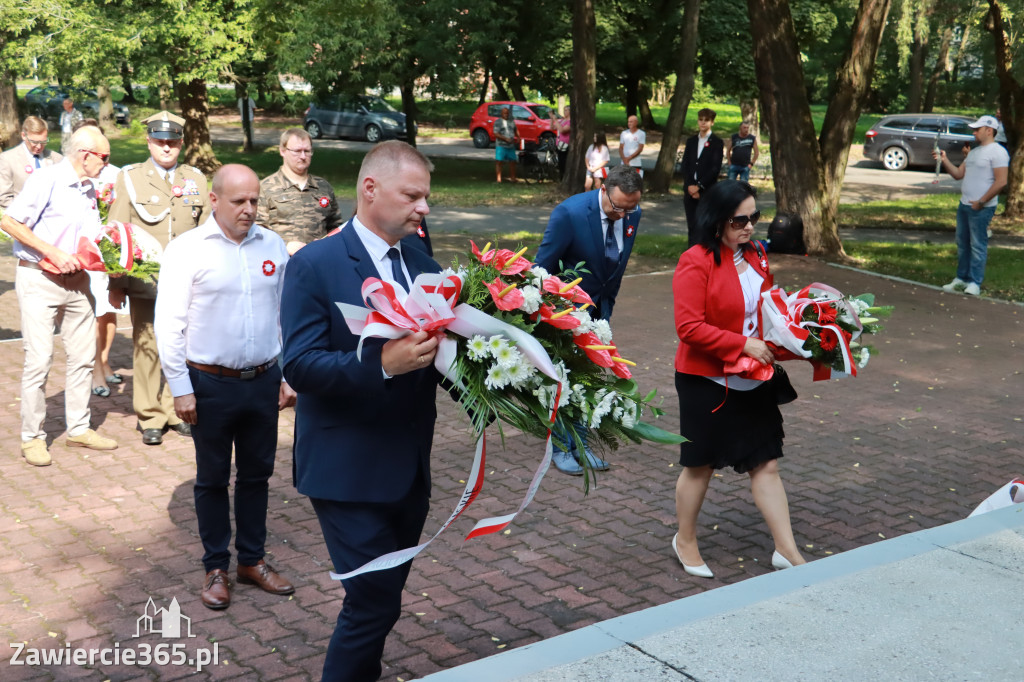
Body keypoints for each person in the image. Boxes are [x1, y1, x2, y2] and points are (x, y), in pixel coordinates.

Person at [281, 141, 442, 682]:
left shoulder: (423, 263)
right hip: (346, 469)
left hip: (409, 468)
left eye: (426, 197)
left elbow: (438, 355)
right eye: (413, 195)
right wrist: (382, 365)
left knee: (384, 599)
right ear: (370, 189)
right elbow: (300, 366)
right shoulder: (315, 264)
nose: (424, 208)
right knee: (372, 603)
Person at [154, 164, 296, 610]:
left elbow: (285, 315)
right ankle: (216, 566)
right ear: (214, 200)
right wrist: (180, 387)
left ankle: (251, 560)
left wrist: (288, 373)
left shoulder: (271, 245)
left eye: (254, 200)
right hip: (209, 383)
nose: (250, 210)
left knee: (257, 475)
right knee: (213, 478)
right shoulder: (187, 250)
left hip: (263, 380)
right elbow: (168, 323)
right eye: (239, 201)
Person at [671, 179, 806, 579]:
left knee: (765, 463)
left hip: (753, 378)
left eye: (754, 217)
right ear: (716, 221)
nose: (749, 227)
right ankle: (685, 540)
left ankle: (788, 551)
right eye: (739, 220)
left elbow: (764, 308)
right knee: (700, 466)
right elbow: (688, 327)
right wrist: (742, 345)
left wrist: (795, 330)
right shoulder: (695, 261)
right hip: (705, 380)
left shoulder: (757, 254)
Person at [0, 126, 119, 466]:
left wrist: (116, 255)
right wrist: (52, 252)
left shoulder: (89, 188)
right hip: (40, 279)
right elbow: (9, 222)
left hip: (79, 281)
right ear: (85, 155)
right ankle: (32, 438)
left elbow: (91, 235)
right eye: (104, 157)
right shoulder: (46, 180)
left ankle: (79, 429)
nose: (107, 164)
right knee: (38, 361)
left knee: (83, 357)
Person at [535, 164, 643, 476]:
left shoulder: (631, 213)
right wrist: (550, 314)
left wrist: (606, 304)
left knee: (590, 377)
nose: (624, 215)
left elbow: (616, 264)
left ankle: (580, 444)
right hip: (564, 313)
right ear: (603, 190)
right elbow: (541, 269)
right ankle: (559, 447)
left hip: (600, 311)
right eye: (618, 207)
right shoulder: (569, 214)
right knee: (563, 380)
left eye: (631, 208)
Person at [109, 111, 208, 444]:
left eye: (173, 142)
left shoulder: (196, 179)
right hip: (147, 279)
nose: (167, 147)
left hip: (189, 279)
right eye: (160, 141)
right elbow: (117, 234)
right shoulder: (131, 177)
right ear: (149, 141)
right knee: (147, 344)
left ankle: (173, 409)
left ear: (181, 143)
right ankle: (149, 414)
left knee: (184, 344)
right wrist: (116, 283)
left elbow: (207, 232)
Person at [933, 115, 1009, 297]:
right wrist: (944, 159)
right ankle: (961, 278)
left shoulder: (998, 152)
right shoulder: (974, 152)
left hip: (982, 207)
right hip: (965, 204)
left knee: (977, 244)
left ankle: (975, 282)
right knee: (962, 243)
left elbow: (1001, 182)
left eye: (978, 129)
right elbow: (958, 174)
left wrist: (982, 201)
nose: (974, 132)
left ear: (989, 130)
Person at [257, 128, 343, 255]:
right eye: (297, 151)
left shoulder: (323, 187)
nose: (303, 156)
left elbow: (336, 228)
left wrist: (327, 246)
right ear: (282, 151)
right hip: (280, 262)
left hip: (318, 262)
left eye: (307, 151)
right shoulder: (265, 188)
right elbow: (258, 231)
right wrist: (284, 246)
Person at [681, 108, 724, 245]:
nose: (703, 123)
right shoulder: (691, 141)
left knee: (705, 226)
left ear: (712, 122)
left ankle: (705, 255)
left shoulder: (717, 142)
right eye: (701, 120)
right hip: (689, 190)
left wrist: (699, 187)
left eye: (706, 120)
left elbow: (714, 168)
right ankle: (691, 255)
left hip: (706, 190)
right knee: (692, 225)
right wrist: (690, 185)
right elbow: (685, 164)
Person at [0, 116, 63, 209]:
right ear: (23, 136)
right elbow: (4, 198)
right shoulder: (7, 159)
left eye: (43, 142)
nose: (39, 146)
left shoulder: (57, 159)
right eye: (34, 142)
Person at [493, 106, 518, 183]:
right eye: (504, 113)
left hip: (510, 145)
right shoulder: (498, 122)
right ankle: (498, 179)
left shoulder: (511, 121)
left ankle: (513, 178)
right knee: (499, 161)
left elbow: (516, 129)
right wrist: (505, 139)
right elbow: (496, 134)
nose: (506, 114)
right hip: (501, 145)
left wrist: (519, 137)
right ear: (501, 113)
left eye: (507, 113)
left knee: (513, 161)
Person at [550, 105, 571, 179]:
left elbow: (562, 130)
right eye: (564, 110)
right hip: (559, 144)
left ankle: (563, 177)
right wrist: (552, 119)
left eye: (566, 110)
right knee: (560, 162)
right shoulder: (563, 120)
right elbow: (552, 128)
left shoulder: (570, 121)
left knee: (563, 162)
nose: (564, 112)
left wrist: (556, 121)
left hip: (565, 144)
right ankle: (561, 177)